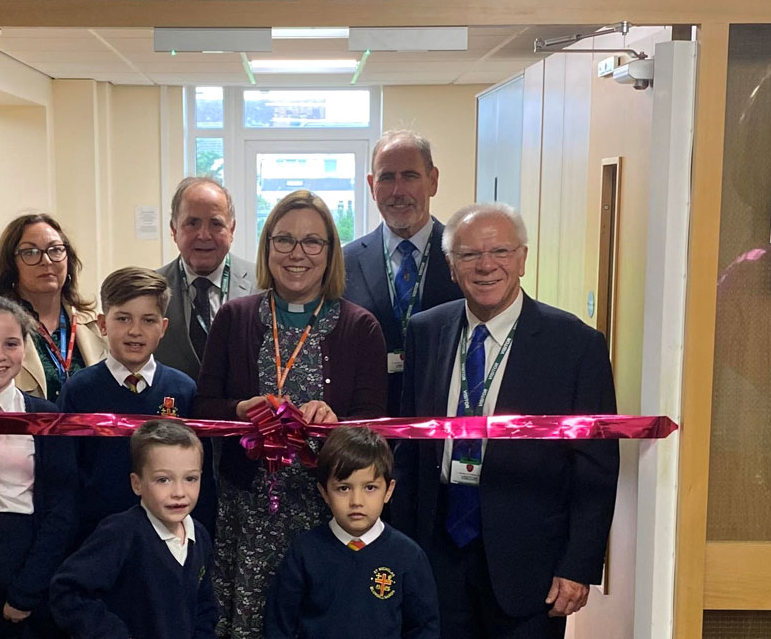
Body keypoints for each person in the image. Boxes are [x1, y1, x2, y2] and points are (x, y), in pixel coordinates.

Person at [391, 203, 619, 639]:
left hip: (530, 564)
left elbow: (597, 466)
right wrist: (400, 547)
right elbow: (409, 448)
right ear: (451, 266)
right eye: (470, 254)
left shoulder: (576, 345)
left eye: (500, 251)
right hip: (436, 553)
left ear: (523, 259)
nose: (486, 266)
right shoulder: (425, 331)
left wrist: (579, 565)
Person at [193, 190, 386, 639]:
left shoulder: (361, 327)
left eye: (312, 242)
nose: (297, 254)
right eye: (284, 240)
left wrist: (337, 423)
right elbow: (203, 408)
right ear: (266, 248)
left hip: (329, 511)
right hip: (249, 509)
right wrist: (240, 411)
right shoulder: (234, 317)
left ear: (330, 253)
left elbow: (375, 426)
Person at [0, 293, 78, 639]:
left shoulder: (46, 416)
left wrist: (28, 589)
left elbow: (63, 508)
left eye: (11, 343)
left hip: (22, 565)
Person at [58, 267, 198, 540]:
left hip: (168, 539)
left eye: (148, 320)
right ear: (102, 324)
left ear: (163, 327)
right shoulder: (79, 391)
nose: (135, 331)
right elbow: (66, 476)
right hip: (95, 536)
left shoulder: (183, 390)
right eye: (123, 319)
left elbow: (197, 473)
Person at [50, 419, 219, 639]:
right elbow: (67, 590)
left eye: (190, 478)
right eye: (163, 480)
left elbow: (204, 607)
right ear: (136, 483)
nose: (179, 492)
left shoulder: (199, 536)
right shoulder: (120, 532)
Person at [265, 426, 438, 639]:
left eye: (370, 488)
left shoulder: (408, 556)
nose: (357, 501)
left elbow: (423, 628)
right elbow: (279, 625)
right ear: (325, 492)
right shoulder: (304, 552)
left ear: (389, 491)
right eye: (344, 488)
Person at [343, 130, 463, 416]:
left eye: (409, 176)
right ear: (372, 185)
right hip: (368, 424)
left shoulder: (465, 257)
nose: (398, 191)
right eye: (386, 177)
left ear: (432, 180)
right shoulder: (343, 262)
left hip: (443, 419)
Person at [0, 214, 107, 403]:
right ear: (11, 265)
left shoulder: (93, 326)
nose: (46, 260)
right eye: (30, 252)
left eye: (55, 250)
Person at [155, 177, 258, 380]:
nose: (204, 235)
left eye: (215, 223)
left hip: (243, 410)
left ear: (232, 229)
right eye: (192, 223)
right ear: (174, 230)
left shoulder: (263, 285)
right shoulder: (150, 291)